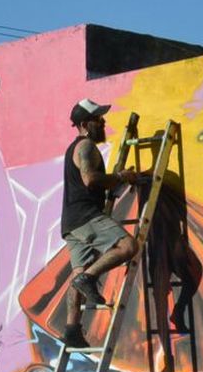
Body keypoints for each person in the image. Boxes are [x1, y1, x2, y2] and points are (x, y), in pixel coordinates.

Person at [59, 98, 142, 348]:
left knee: (78, 272)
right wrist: (120, 177)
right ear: (85, 124)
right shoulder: (86, 146)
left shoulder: (74, 148)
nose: (103, 122)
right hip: (86, 216)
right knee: (129, 246)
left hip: (72, 223)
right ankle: (90, 278)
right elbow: (90, 179)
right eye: (97, 119)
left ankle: (72, 329)